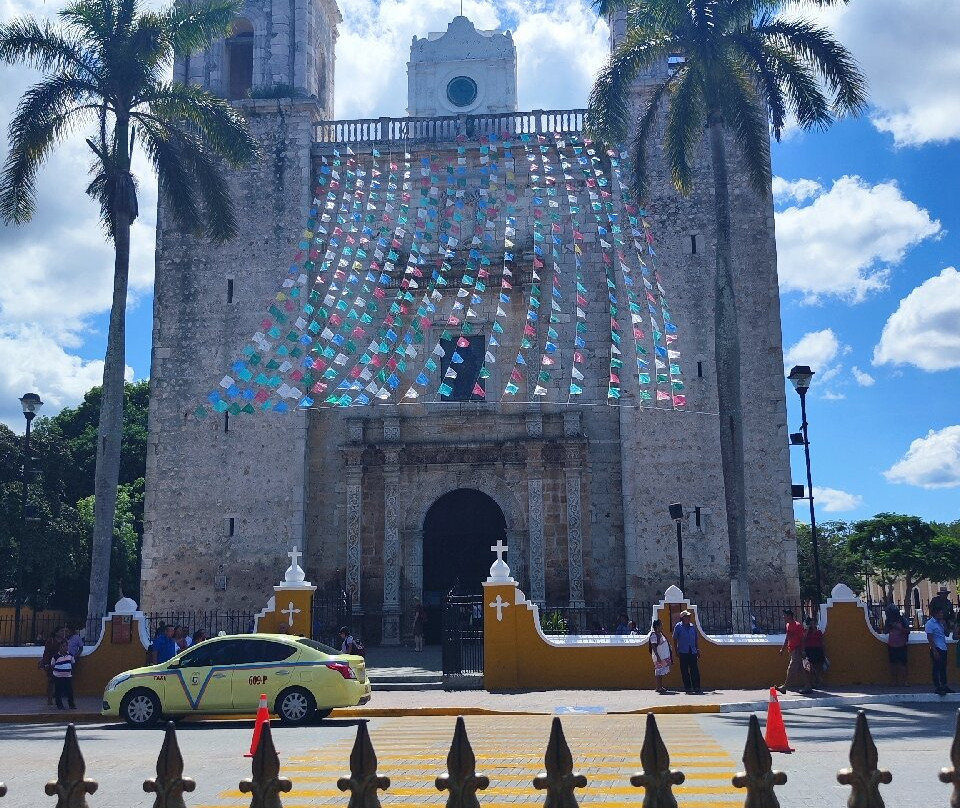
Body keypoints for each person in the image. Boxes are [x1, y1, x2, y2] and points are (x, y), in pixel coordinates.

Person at [777, 609, 805, 694]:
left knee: (791, 668)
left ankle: (785, 687)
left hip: (797, 649)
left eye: (784, 615)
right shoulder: (788, 625)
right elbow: (787, 637)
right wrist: (783, 648)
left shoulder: (797, 625)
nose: (783, 617)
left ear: (789, 616)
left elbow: (802, 639)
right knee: (801, 669)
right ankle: (808, 686)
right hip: (791, 650)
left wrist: (803, 650)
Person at [673, 610, 701, 694]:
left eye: (689, 616)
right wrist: (676, 650)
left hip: (692, 651)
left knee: (694, 670)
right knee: (684, 670)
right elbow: (675, 638)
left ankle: (696, 687)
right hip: (683, 651)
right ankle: (688, 687)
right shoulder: (678, 626)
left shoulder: (693, 626)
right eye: (687, 616)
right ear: (683, 618)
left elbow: (695, 639)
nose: (689, 618)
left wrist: (697, 649)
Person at [926, 606, 953, 695]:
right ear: (935, 614)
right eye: (940, 613)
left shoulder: (941, 623)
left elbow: (947, 634)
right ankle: (938, 686)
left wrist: (945, 625)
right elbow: (930, 638)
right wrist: (934, 651)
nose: (942, 615)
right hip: (936, 648)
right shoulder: (930, 624)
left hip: (943, 647)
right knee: (937, 668)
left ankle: (944, 685)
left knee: (943, 668)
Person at [884, 606, 910, 686]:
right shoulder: (888, 621)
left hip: (902, 644)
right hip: (892, 644)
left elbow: (908, 631)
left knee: (903, 664)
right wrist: (890, 626)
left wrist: (898, 628)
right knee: (893, 664)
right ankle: (894, 681)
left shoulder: (903, 620)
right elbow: (885, 631)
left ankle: (905, 681)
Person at [40, 628, 65, 706]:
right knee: (51, 681)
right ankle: (49, 699)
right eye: (61, 630)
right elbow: (46, 653)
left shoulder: (64, 641)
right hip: (51, 663)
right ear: (56, 633)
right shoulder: (50, 641)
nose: (63, 632)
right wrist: (46, 663)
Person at [50, 639, 77, 710]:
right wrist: (57, 672)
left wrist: (70, 672)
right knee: (58, 691)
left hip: (67, 676)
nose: (65, 648)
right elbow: (52, 665)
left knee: (70, 691)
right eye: (63, 646)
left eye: (66, 646)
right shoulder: (55, 657)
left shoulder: (70, 655)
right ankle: (59, 705)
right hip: (58, 677)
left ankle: (71, 704)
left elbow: (73, 664)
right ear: (59, 647)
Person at [648, 619, 673, 694]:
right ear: (657, 626)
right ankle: (658, 687)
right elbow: (654, 647)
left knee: (661, 671)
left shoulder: (660, 633)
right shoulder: (654, 635)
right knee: (659, 671)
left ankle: (660, 686)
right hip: (658, 656)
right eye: (661, 624)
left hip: (663, 656)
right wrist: (658, 657)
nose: (662, 626)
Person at [802, 616, 825, 692]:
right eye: (811, 622)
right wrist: (808, 629)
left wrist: (823, 651)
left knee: (818, 666)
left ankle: (816, 682)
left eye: (813, 622)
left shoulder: (819, 632)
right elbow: (804, 639)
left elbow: (821, 641)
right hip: (809, 650)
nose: (812, 624)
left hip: (817, 650)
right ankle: (812, 682)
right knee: (809, 667)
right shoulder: (807, 631)